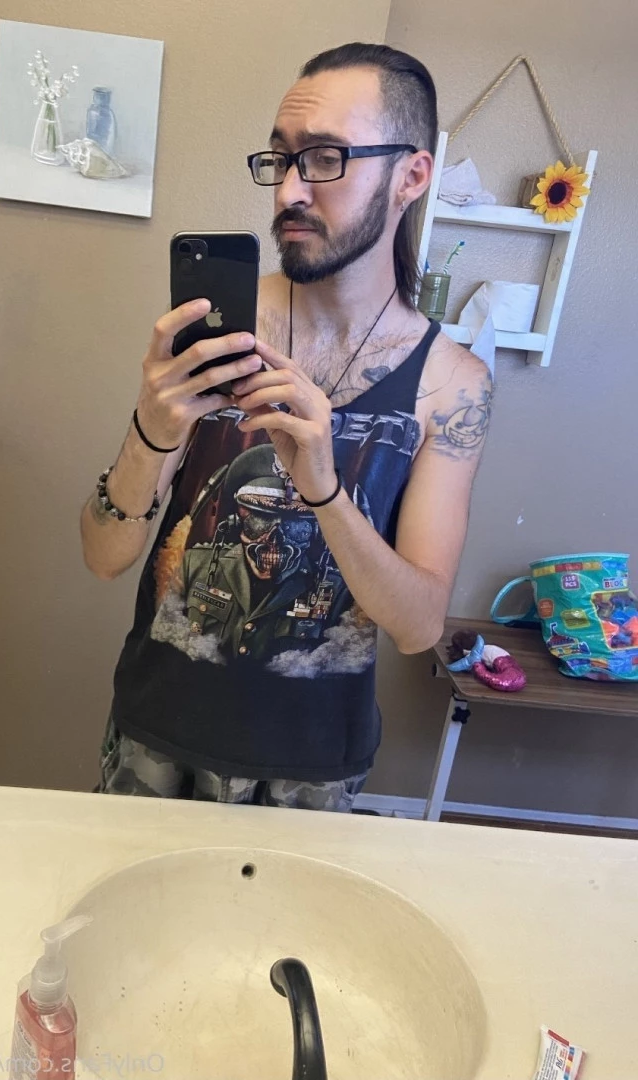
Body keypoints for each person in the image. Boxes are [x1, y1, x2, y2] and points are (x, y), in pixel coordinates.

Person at [81, 43, 492, 812]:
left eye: (326, 158)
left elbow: (418, 626)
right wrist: (150, 430)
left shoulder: (453, 385)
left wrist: (324, 489)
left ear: (412, 176)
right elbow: (103, 556)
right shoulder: (217, 333)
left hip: (315, 767)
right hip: (155, 737)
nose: (290, 190)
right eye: (280, 158)